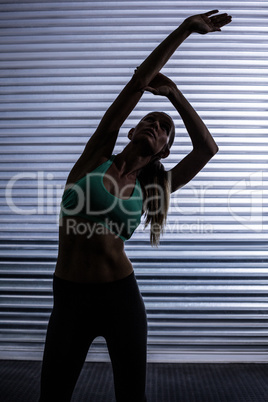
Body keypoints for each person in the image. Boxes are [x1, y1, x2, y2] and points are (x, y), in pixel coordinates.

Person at [39, 10, 232, 402]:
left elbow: (207, 149)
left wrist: (174, 94)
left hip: (120, 298)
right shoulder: (96, 157)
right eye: (150, 120)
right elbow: (137, 83)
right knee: (52, 395)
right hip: (70, 296)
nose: (155, 127)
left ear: (164, 150)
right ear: (130, 129)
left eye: (164, 129)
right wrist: (183, 31)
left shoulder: (153, 189)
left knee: (132, 397)